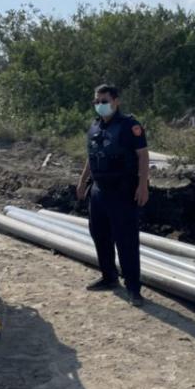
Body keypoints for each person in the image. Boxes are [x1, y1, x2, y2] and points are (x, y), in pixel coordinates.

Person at [76, 85, 150, 306]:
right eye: (96, 101)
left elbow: (143, 156)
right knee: (99, 234)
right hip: (99, 190)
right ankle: (109, 277)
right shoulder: (95, 127)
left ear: (116, 101)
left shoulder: (130, 126)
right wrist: (82, 182)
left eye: (104, 100)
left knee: (126, 239)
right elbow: (92, 156)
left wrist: (143, 185)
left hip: (123, 190)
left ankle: (134, 289)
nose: (100, 105)